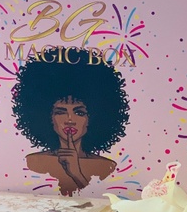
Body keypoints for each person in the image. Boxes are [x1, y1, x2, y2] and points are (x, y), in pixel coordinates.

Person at [12, 46, 131, 196]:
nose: (69, 120)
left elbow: (100, 200)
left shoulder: (107, 167)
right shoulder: (32, 163)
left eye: (79, 112)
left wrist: (76, 172)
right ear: (47, 117)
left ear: (93, 118)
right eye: (60, 112)